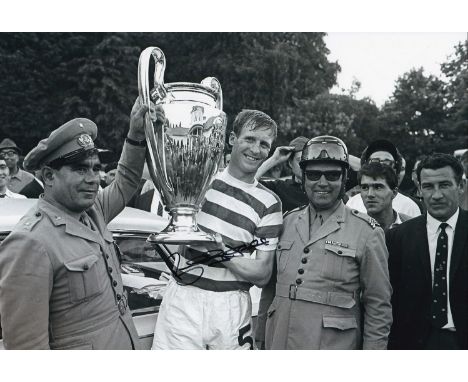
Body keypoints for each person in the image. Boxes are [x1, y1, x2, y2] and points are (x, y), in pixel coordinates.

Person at [0, 98, 159, 349]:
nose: (93, 179)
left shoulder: (92, 211)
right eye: (80, 169)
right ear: (50, 176)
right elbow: (27, 350)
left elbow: (126, 179)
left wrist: (135, 133)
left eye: (95, 169)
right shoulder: (30, 242)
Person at [152, 109, 283, 350]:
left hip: (231, 306)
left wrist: (220, 251)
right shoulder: (199, 178)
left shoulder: (270, 202)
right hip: (184, 295)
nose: (256, 150)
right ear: (232, 139)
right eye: (250, 139)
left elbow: (263, 274)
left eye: (264, 145)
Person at [264, 135, 392, 350]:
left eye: (332, 175)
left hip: (333, 345)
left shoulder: (367, 232)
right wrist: (260, 337)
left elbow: (378, 306)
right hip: (280, 339)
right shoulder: (286, 222)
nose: (322, 183)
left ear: (344, 179)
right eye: (313, 175)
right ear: (303, 178)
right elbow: (270, 290)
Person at [386, 153, 468, 349]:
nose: (436, 195)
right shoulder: (398, 237)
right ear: (420, 189)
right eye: (428, 187)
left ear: (461, 187)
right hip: (414, 344)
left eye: (445, 185)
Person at [346, 139, 421, 217]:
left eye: (387, 162)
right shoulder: (353, 204)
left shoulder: (409, 207)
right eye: (375, 161)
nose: (381, 166)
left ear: (395, 169)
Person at [256, 136, 309, 213]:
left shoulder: (323, 185)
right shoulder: (280, 187)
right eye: (300, 161)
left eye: (308, 160)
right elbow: (246, 183)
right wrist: (274, 159)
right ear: (290, 163)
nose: (305, 165)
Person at [359, 162, 412, 231]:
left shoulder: (411, 226)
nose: (370, 194)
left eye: (378, 187)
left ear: (394, 192)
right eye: (365, 187)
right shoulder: (354, 227)